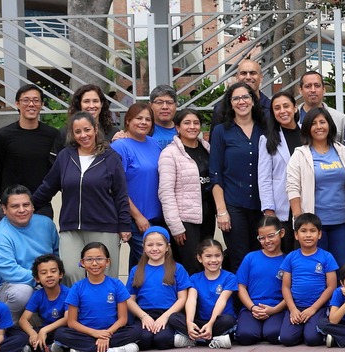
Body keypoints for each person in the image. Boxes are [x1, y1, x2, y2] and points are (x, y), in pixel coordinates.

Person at [34, 112, 129, 282]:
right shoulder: (65, 156)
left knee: (104, 276)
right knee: (70, 272)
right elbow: (48, 187)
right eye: (78, 131)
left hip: (104, 226)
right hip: (71, 227)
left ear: (95, 129)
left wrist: (124, 224)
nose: (83, 135)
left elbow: (121, 194)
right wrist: (28, 206)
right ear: (72, 133)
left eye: (87, 130)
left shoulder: (111, 158)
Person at [210, 81, 271, 270]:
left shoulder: (266, 129)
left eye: (245, 97)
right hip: (233, 205)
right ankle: (240, 291)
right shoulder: (221, 131)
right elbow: (215, 173)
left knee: (262, 257)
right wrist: (221, 211)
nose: (241, 101)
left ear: (253, 100)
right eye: (236, 98)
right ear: (230, 103)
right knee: (240, 259)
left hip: (262, 206)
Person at [50, 241, 144, 352]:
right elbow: (72, 322)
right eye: (89, 259)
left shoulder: (116, 284)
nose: (94, 263)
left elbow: (123, 319)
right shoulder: (77, 287)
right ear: (82, 263)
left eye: (99, 259)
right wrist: (95, 333)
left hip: (112, 332)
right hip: (86, 333)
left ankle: (86, 351)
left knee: (135, 331)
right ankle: (110, 351)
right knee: (60, 334)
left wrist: (106, 334)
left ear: (107, 262)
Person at [286, 108, 345, 265]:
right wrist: (299, 219)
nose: (319, 127)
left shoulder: (342, 151)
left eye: (322, 122)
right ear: (307, 128)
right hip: (313, 225)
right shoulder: (300, 154)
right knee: (316, 268)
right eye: (314, 123)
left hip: (340, 222)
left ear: (329, 125)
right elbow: (292, 187)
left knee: (340, 267)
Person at [0, 85, 64, 219]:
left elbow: (56, 170)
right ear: (17, 104)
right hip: (12, 206)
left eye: (36, 100)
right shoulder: (3, 135)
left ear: (42, 105)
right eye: (26, 100)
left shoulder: (52, 135)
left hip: (42, 206)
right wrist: (7, 200)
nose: (31, 104)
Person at [158, 107, 216, 274]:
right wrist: (176, 226)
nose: (192, 127)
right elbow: (166, 192)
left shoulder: (207, 148)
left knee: (206, 263)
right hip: (185, 221)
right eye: (187, 123)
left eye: (196, 123)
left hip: (207, 215)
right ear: (177, 127)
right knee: (191, 266)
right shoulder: (169, 153)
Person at [0, 186, 58, 318]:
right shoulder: (0, 235)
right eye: (15, 206)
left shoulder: (47, 224)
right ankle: (8, 325)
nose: (22, 210)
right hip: (12, 286)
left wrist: (49, 278)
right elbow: (10, 272)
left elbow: (57, 254)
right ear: (4, 209)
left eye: (26, 205)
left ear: (33, 206)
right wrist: (42, 278)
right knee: (22, 292)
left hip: (45, 281)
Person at [111, 102, 165, 266]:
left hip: (156, 216)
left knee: (139, 265)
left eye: (148, 119)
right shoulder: (120, 146)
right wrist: (138, 217)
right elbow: (116, 187)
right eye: (138, 118)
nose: (143, 122)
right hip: (135, 218)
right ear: (128, 121)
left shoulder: (154, 143)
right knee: (151, 261)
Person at [272, 214, 337, 347]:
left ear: (319, 234)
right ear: (296, 235)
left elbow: (331, 286)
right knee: (286, 339)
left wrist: (313, 308)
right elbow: (285, 287)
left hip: (318, 307)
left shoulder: (326, 257)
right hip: (296, 306)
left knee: (312, 339)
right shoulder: (291, 257)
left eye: (312, 231)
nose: (308, 235)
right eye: (303, 231)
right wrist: (293, 309)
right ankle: (302, 329)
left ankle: (310, 329)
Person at [126, 226, 191, 351]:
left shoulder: (177, 268)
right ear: (144, 247)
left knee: (162, 340)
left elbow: (182, 298)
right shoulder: (136, 270)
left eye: (159, 244)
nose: (154, 248)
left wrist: (165, 317)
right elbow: (130, 299)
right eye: (150, 245)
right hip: (144, 314)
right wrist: (143, 316)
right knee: (144, 340)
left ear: (167, 247)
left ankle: (181, 338)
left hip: (169, 314)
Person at [232, 217, 292, 345]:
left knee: (273, 333)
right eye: (262, 238)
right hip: (252, 308)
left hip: (277, 309)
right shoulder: (250, 258)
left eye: (271, 236)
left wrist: (274, 310)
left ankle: (263, 330)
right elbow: (241, 286)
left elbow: (291, 291)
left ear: (281, 233)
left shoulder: (288, 261)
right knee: (245, 336)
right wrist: (252, 307)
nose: (267, 241)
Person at [184, 238, 238, 350]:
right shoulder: (194, 278)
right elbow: (191, 300)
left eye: (217, 256)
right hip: (201, 321)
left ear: (222, 257)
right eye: (208, 256)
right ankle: (212, 339)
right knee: (175, 318)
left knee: (228, 320)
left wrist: (211, 323)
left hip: (219, 321)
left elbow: (222, 301)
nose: (213, 260)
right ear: (200, 258)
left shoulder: (230, 277)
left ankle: (198, 339)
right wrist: (189, 322)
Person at [18, 254, 74, 352]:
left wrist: (44, 330)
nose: (49, 275)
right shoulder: (38, 295)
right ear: (37, 278)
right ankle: (50, 348)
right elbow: (23, 320)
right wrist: (33, 334)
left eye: (53, 271)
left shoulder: (69, 293)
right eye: (44, 273)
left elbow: (68, 319)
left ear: (61, 274)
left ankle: (44, 349)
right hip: (46, 332)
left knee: (62, 334)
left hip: (62, 329)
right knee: (18, 334)